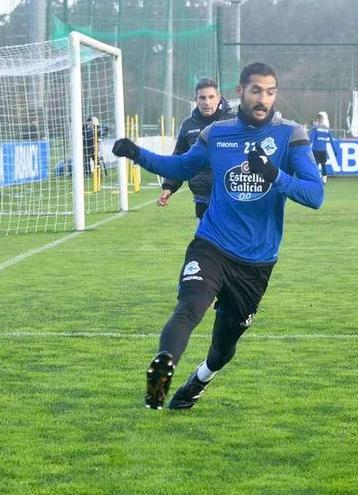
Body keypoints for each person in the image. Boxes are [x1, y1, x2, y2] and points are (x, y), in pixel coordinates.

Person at [112, 62, 323, 410]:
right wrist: (137, 154)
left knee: (223, 348)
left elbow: (314, 196)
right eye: (257, 90)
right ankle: (163, 368)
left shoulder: (292, 134)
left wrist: (273, 174)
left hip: (256, 261)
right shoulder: (216, 134)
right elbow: (180, 167)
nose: (263, 99)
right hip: (212, 242)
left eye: (270, 92)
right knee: (189, 306)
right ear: (240, 91)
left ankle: (198, 381)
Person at [156, 78, 234, 219]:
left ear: (219, 97)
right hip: (202, 198)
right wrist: (169, 187)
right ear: (196, 99)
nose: (207, 102)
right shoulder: (188, 125)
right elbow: (179, 159)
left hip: (233, 197)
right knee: (206, 240)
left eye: (211, 97)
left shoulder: (235, 122)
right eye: (202, 98)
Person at [308, 111, 339, 184]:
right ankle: (324, 180)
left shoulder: (315, 128)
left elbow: (311, 139)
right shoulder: (327, 129)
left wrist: (307, 148)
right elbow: (331, 141)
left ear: (318, 120)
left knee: (315, 165)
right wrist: (335, 150)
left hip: (315, 150)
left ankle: (316, 179)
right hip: (323, 150)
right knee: (323, 165)